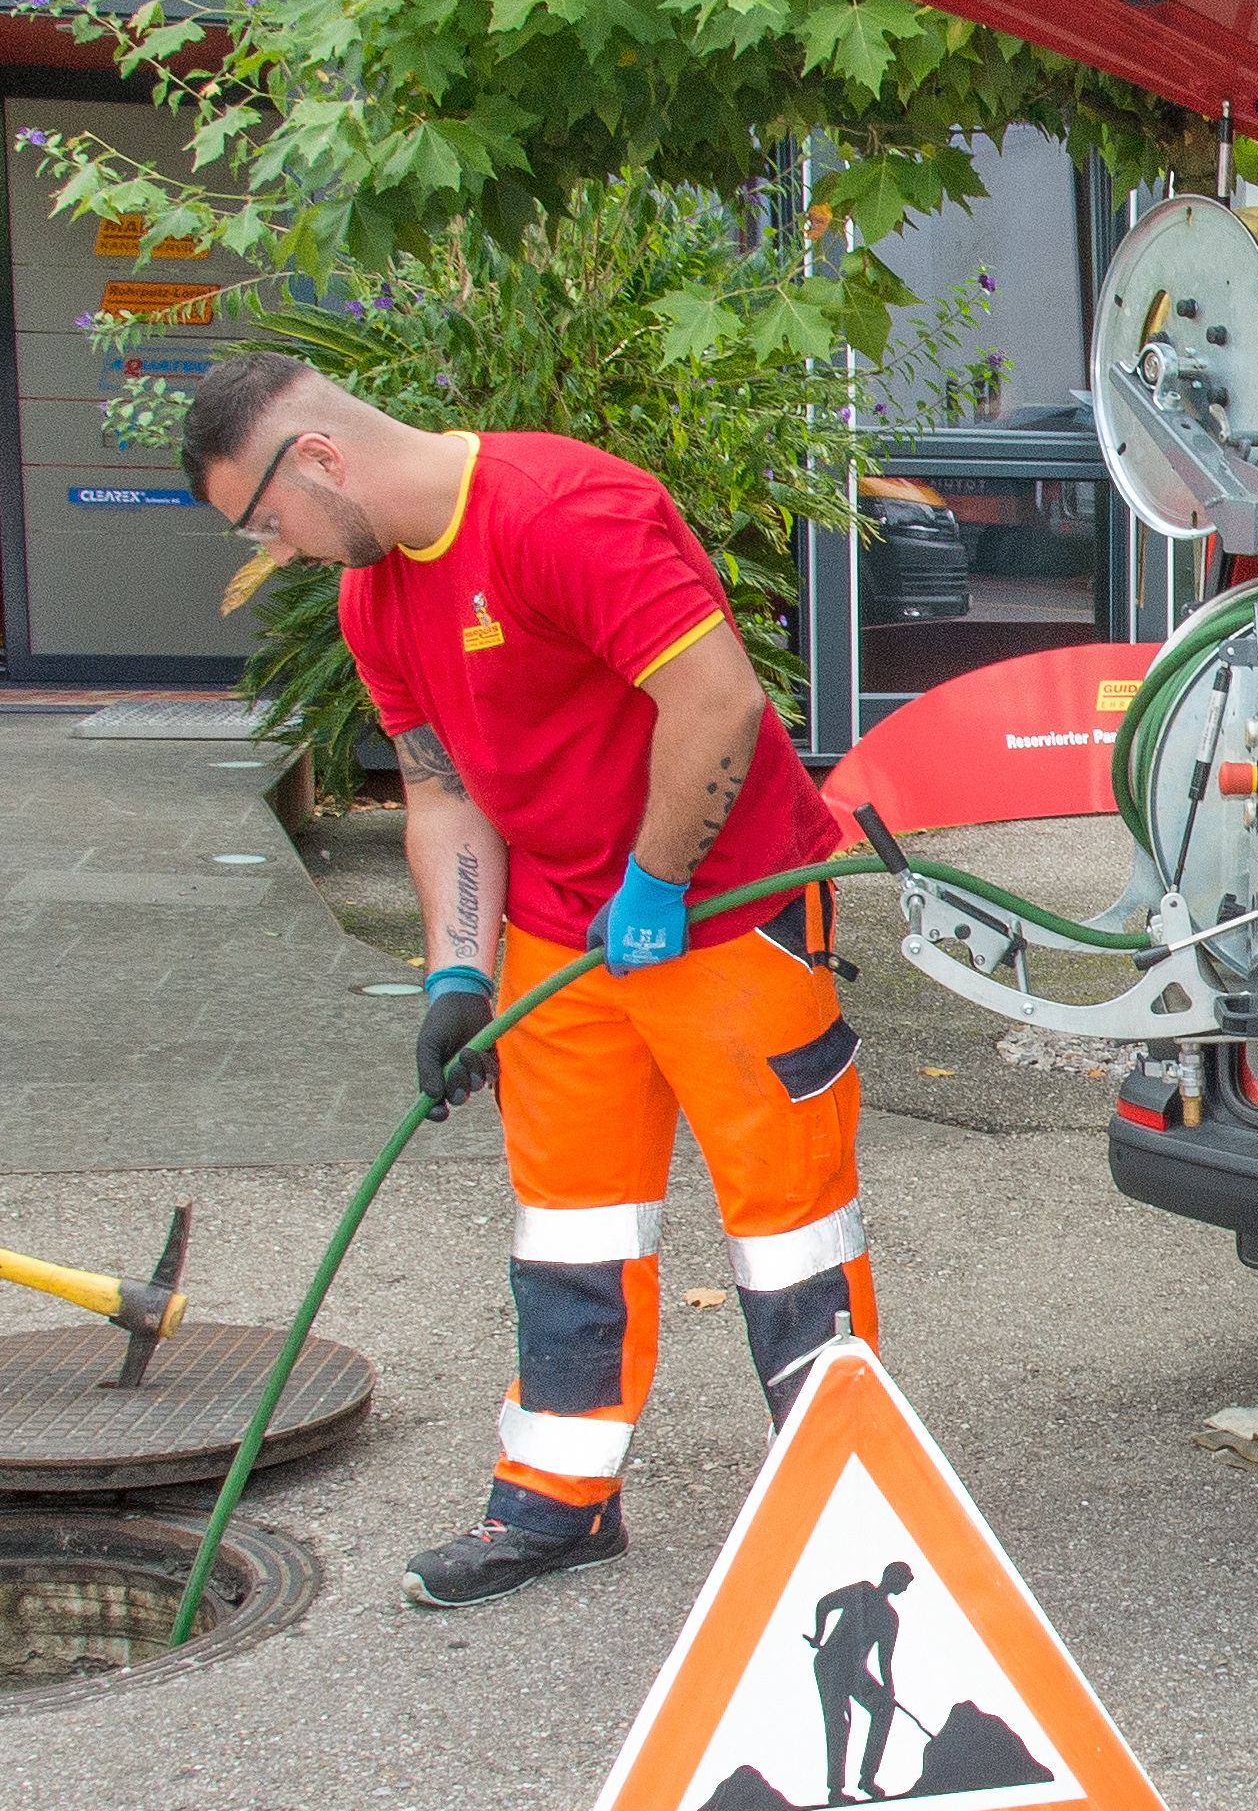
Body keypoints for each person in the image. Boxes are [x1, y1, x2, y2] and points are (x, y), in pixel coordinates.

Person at [180, 350, 872, 1611]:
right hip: (563, 938)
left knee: (788, 1230)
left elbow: (713, 700)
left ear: (319, 457)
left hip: (726, 912)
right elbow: (441, 791)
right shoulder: (373, 602)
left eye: (264, 518)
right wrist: (456, 972)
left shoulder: (565, 511)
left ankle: (847, 1510)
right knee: (573, 1227)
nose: (272, 546)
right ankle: (556, 1503)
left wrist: (657, 877)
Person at [808, 1562, 912, 1803]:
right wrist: (818, 1636)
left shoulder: (890, 1619)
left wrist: (888, 1692)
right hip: (831, 1665)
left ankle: (868, 1778)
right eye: (906, 1579)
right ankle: (836, 1791)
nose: (907, 1586)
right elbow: (824, 1604)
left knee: (884, 1708)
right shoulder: (861, 1592)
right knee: (839, 1722)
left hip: (855, 1673)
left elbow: (884, 1661)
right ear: (894, 1578)